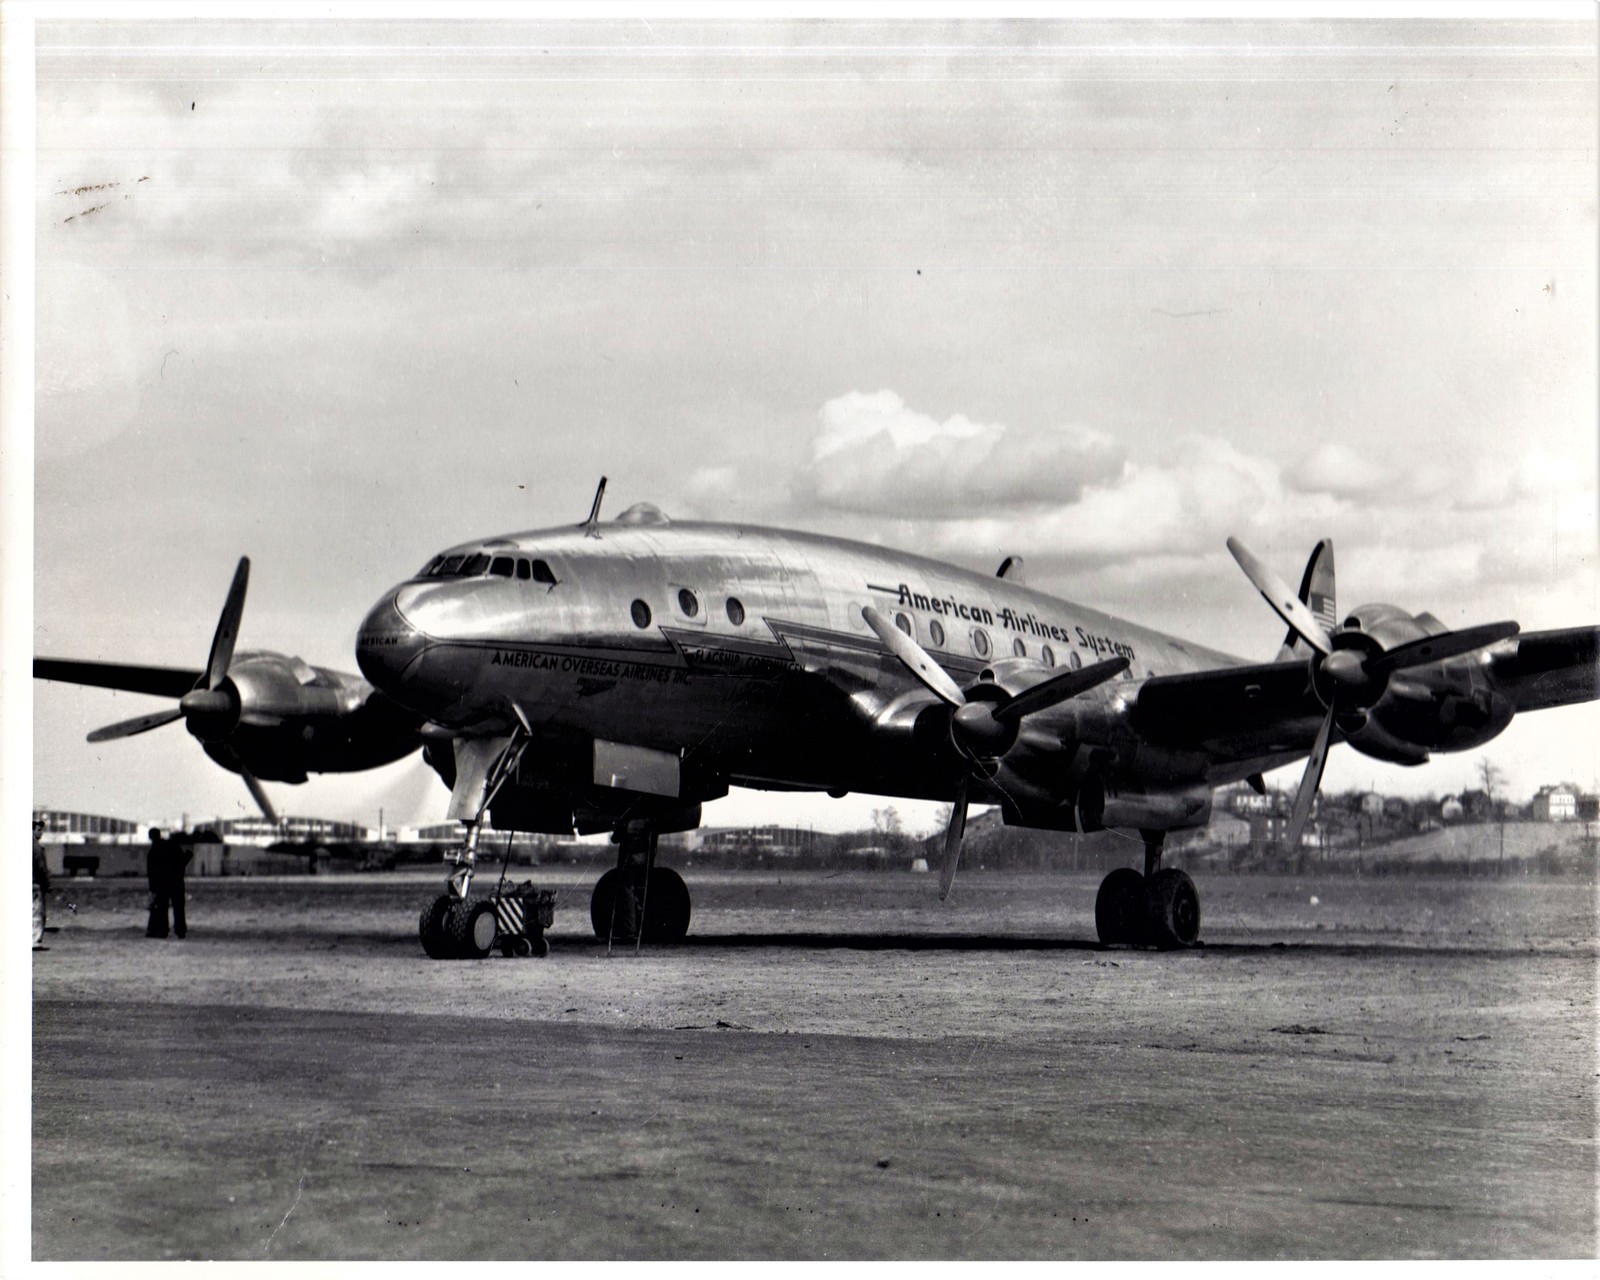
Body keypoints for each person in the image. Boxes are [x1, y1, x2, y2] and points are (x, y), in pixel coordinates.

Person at [145, 827, 191, 939]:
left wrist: (152, 889)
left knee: (162, 909)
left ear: (150, 837)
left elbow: (151, 872)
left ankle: (162, 931)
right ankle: (180, 931)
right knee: (179, 908)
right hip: (177, 882)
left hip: (162, 884)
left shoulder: (153, 851)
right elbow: (182, 862)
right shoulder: (172, 845)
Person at [33, 818, 50, 948]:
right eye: (39, 830)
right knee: (37, 912)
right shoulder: (37, 847)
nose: (41, 833)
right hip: (35, 884)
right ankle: (35, 940)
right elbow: (42, 868)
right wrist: (47, 884)